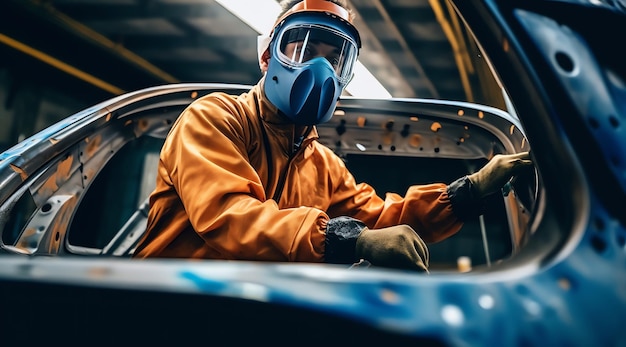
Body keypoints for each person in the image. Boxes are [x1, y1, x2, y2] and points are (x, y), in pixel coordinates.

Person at [132, 0, 533, 272]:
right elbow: (231, 216)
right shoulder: (214, 119)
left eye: (335, 57)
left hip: (249, 311)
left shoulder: (324, 166)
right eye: (303, 48)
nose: (320, 69)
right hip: (166, 304)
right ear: (268, 55)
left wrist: (467, 192)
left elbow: (380, 219)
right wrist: (344, 239)